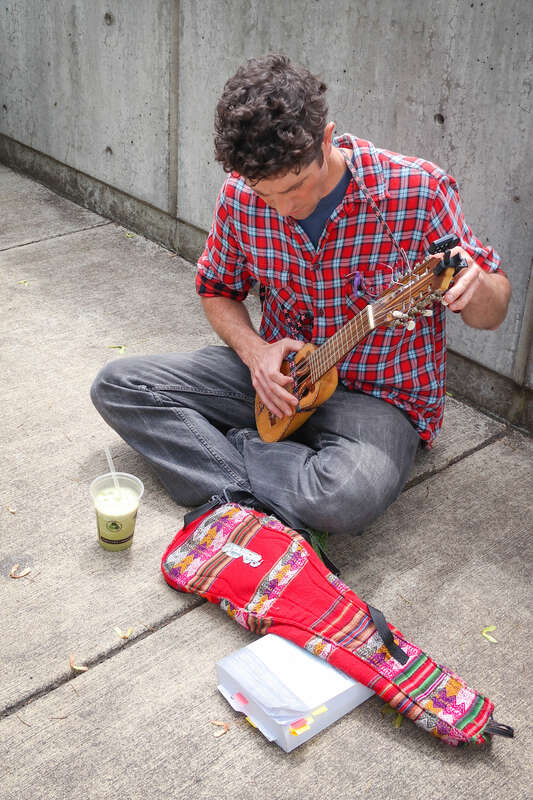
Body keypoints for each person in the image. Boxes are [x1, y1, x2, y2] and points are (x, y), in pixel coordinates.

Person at [91, 54, 510, 536]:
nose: (285, 208)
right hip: (280, 382)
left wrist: (475, 287)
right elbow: (216, 289)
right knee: (118, 385)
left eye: (296, 186)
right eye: (268, 195)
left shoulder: (417, 190)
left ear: (327, 139)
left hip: (376, 399)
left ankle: (231, 464)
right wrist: (255, 352)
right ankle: (265, 484)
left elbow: (493, 310)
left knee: (342, 499)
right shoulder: (241, 196)